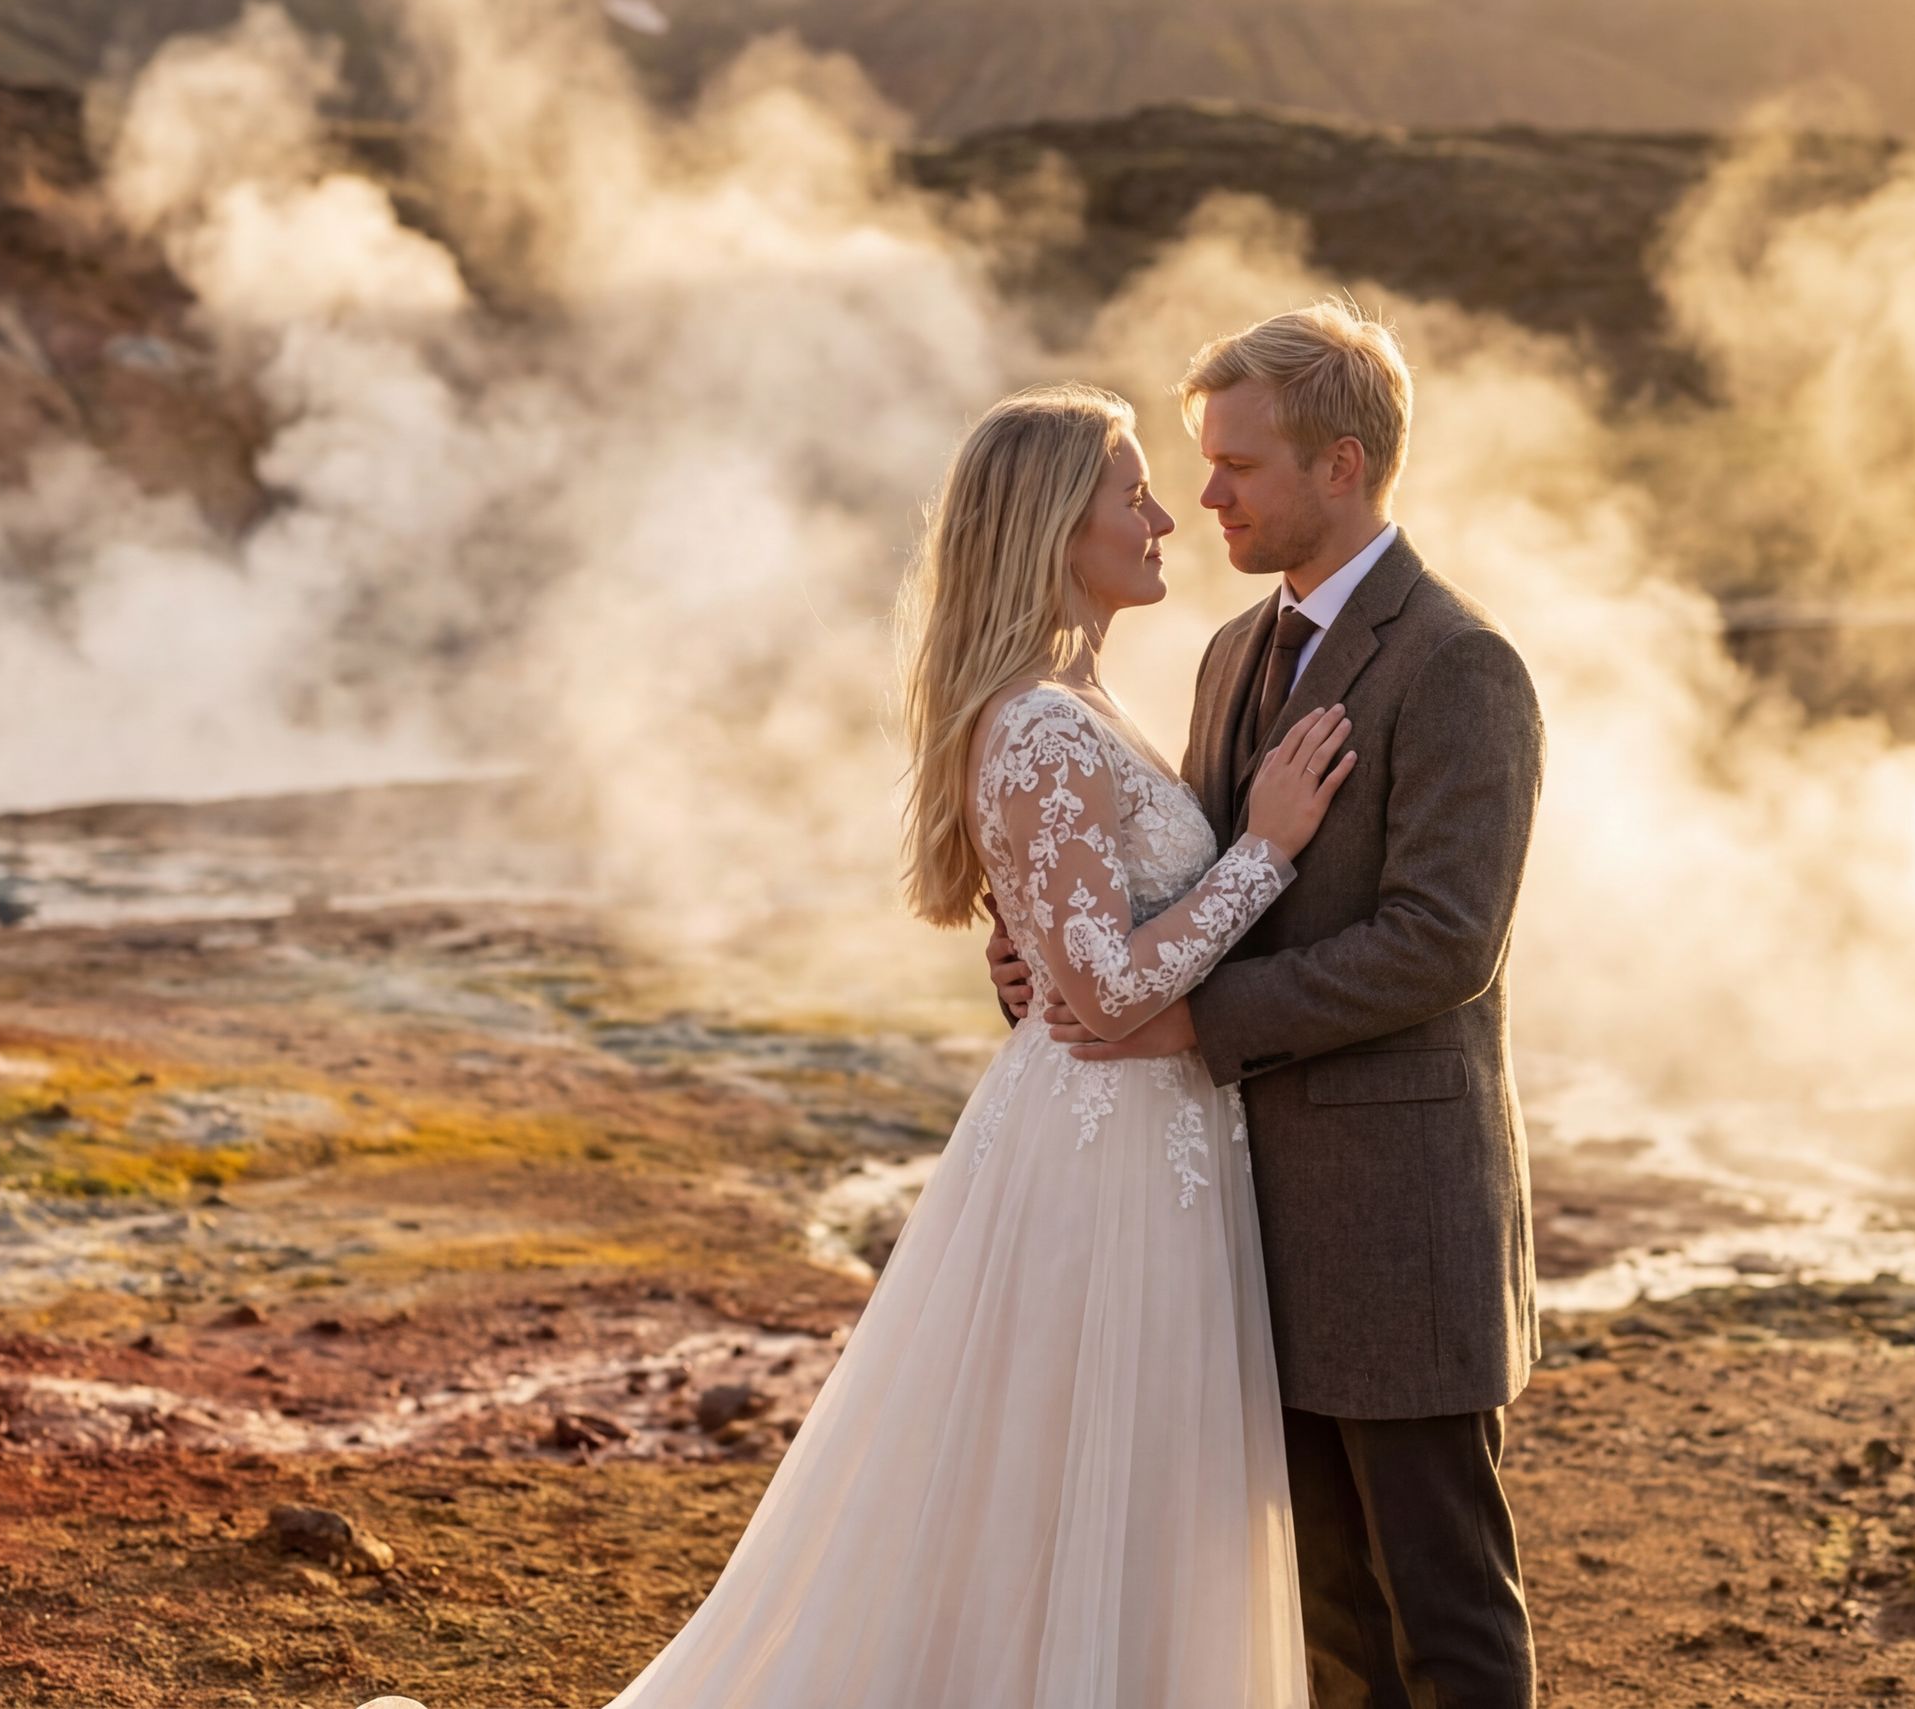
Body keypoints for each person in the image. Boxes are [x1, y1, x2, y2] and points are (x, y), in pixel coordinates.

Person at [578, 379, 1353, 1706]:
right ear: (1060, 524)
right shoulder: (1043, 720)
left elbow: (1068, 959)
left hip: (1143, 1141)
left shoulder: (1072, 698)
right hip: (1105, 1159)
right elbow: (1105, 995)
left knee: (1104, 1489)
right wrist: (1266, 852)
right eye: (1132, 493)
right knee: (1076, 1481)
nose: (1165, 515)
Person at [1000, 302, 1548, 1708]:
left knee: (1447, 1613)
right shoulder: (1233, 651)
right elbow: (1180, 885)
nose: (1208, 494)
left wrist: (1193, 1023)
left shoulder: (1458, 663)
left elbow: (1443, 943)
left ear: (1343, 465)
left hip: (1399, 1208)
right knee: (1324, 1618)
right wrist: (1060, 960)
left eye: (1238, 465)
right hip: (1241, 1225)